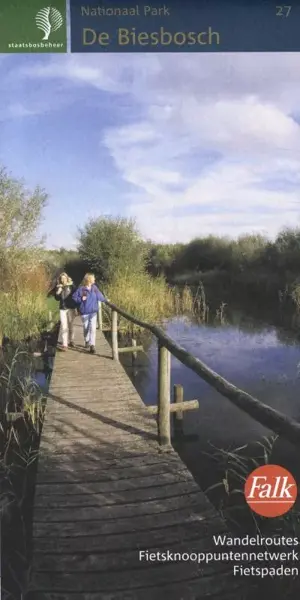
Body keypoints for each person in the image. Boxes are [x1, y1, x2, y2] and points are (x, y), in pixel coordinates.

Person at [72, 273, 107, 354]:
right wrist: (81, 298)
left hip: (93, 312)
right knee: (86, 327)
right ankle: (87, 340)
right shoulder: (81, 289)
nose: (94, 279)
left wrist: (105, 300)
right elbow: (74, 297)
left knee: (93, 329)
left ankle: (92, 345)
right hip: (85, 312)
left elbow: (100, 296)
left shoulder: (94, 288)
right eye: (93, 278)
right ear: (89, 280)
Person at [55, 272, 77, 351]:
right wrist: (58, 292)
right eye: (61, 278)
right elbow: (57, 298)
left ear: (67, 278)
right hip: (62, 308)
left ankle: (71, 340)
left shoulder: (71, 285)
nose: (63, 280)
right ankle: (65, 344)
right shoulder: (58, 286)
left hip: (70, 308)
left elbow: (76, 294)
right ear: (60, 279)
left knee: (71, 325)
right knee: (64, 326)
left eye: (64, 278)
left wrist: (75, 308)